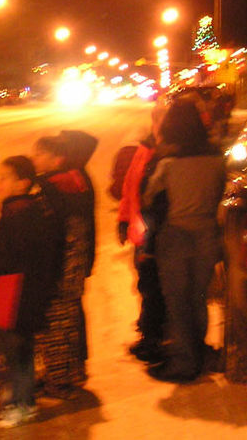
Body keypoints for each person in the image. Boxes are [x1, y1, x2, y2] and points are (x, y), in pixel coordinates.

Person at [0, 156, 64, 429]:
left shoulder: (16, 213)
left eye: (4, 178)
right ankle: (22, 404)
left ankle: (13, 406)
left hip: (13, 294)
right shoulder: (32, 208)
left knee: (9, 353)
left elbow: (1, 259)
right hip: (27, 293)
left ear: (22, 183)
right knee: (21, 351)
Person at [142, 99, 226, 382]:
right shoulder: (216, 159)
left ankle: (183, 362)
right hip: (207, 234)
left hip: (176, 236)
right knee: (198, 298)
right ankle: (198, 353)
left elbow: (149, 199)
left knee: (177, 302)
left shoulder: (167, 163)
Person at [32, 130, 97, 398]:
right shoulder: (78, 180)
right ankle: (72, 373)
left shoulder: (54, 187)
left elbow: (51, 233)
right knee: (70, 319)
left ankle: (58, 379)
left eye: (39, 154)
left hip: (58, 268)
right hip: (75, 265)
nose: (35, 158)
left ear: (58, 159)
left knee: (55, 324)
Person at [117, 107, 167, 363]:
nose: (159, 125)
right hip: (141, 232)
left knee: (153, 287)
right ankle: (149, 333)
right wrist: (123, 219)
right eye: (157, 119)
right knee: (146, 285)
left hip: (159, 235)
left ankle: (154, 339)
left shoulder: (168, 154)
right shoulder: (145, 150)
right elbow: (129, 188)